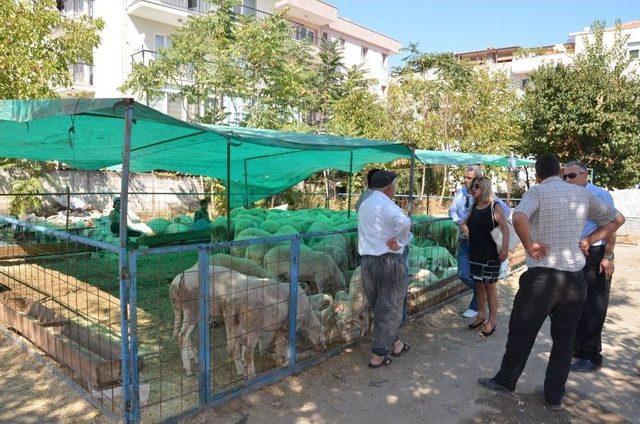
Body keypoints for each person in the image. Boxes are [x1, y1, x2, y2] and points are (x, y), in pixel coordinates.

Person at [478, 154, 624, 411]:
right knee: (565, 341)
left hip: (542, 279)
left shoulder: (537, 192)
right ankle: (554, 395)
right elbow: (617, 220)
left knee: (522, 332)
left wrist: (529, 244)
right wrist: (589, 240)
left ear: (537, 174)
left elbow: (519, 217)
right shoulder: (583, 195)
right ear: (560, 171)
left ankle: (506, 381)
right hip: (574, 280)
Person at [562, 160, 617, 373]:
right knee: (578, 302)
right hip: (579, 253)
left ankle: (592, 356)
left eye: (572, 176)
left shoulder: (598, 195)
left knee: (594, 304)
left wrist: (608, 257)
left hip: (596, 253)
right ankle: (580, 348)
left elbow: (612, 227)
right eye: (565, 176)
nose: (567, 180)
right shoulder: (573, 196)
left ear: (585, 175)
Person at [358, 170, 412, 368]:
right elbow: (406, 223)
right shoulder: (388, 205)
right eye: (394, 184)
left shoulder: (364, 204)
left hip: (368, 263)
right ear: (389, 187)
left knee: (380, 306)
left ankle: (396, 344)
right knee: (389, 308)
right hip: (388, 263)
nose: (395, 188)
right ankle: (378, 355)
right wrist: (400, 241)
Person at [449, 165, 511, 319]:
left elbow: (506, 215)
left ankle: (484, 314)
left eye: (470, 178)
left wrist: (503, 246)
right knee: (464, 274)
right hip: (467, 243)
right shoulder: (462, 195)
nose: (466, 181)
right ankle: (481, 303)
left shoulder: (492, 201)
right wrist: (461, 224)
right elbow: (453, 212)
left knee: (486, 283)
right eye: (465, 177)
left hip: (486, 248)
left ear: (480, 182)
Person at [461, 176, 509, 337]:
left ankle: (492, 320)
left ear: (485, 188)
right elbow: (464, 222)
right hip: (475, 252)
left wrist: (505, 249)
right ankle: (481, 315)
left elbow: (505, 229)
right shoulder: (474, 206)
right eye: (472, 186)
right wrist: (465, 229)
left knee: (490, 286)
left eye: (477, 186)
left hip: (490, 254)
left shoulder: (494, 207)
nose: (473, 189)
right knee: (479, 285)